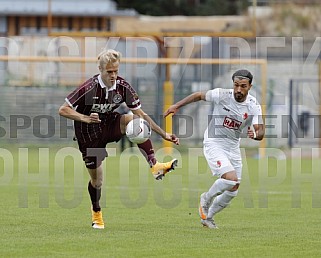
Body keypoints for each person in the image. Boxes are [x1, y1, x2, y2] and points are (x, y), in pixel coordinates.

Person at [59, 49, 179, 229]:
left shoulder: (123, 87)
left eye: (116, 71)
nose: (113, 75)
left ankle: (154, 165)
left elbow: (142, 114)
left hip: (108, 124)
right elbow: (63, 110)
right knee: (97, 181)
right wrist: (85, 118)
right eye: (109, 72)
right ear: (100, 69)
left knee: (134, 120)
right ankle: (97, 213)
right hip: (88, 135)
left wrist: (164, 135)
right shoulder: (89, 88)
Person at [164, 69, 264, 229]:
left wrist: (255, 133)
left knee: (234, 189)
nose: (238, 89)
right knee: (231, 178)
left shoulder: (253, 106)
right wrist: (177, 105)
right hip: (214, 142)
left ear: (250, 87)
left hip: (233, 147)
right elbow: (198, 95)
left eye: (243, 86)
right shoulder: (222, 95)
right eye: (236, 85)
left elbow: (261, 131)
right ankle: (206, 198)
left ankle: (208, 217)